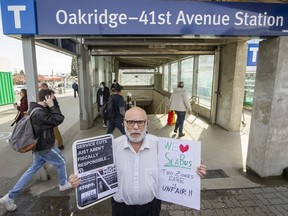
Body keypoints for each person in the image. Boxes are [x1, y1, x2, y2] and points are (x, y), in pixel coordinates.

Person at [69, 107, 206, 216]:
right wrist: (78, 179)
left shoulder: (161, 146)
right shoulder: (111, 147)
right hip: (121, 210)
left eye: (140, 122)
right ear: (123, 123)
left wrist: (194, 170)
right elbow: (92, 172)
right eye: (130, 122)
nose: (135, 127)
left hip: (151, 208)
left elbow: (178, 168)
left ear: (147, 123)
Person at [0, 89, 73, 212]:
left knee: (32, 170)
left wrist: (52, 105)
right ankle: (63, 184)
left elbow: (54, 116)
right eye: (53, 97)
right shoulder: (39, 114)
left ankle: (9, 196)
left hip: (39, 147)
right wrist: (52, 105)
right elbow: (58, 119)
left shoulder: (38, 109)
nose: (54, 100)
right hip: (45, 147)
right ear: (47, 98)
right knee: (61, 162)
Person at [40, 83, 64, 150]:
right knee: (54, 132)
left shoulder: (49, 97)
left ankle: (60, 145)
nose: (41, 89)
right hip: (51, 116)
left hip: (51, 116)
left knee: (55, 131)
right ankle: (59, 144)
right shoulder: (47, 97)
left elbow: (59, 118)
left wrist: (52, 106)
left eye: (41, 87)